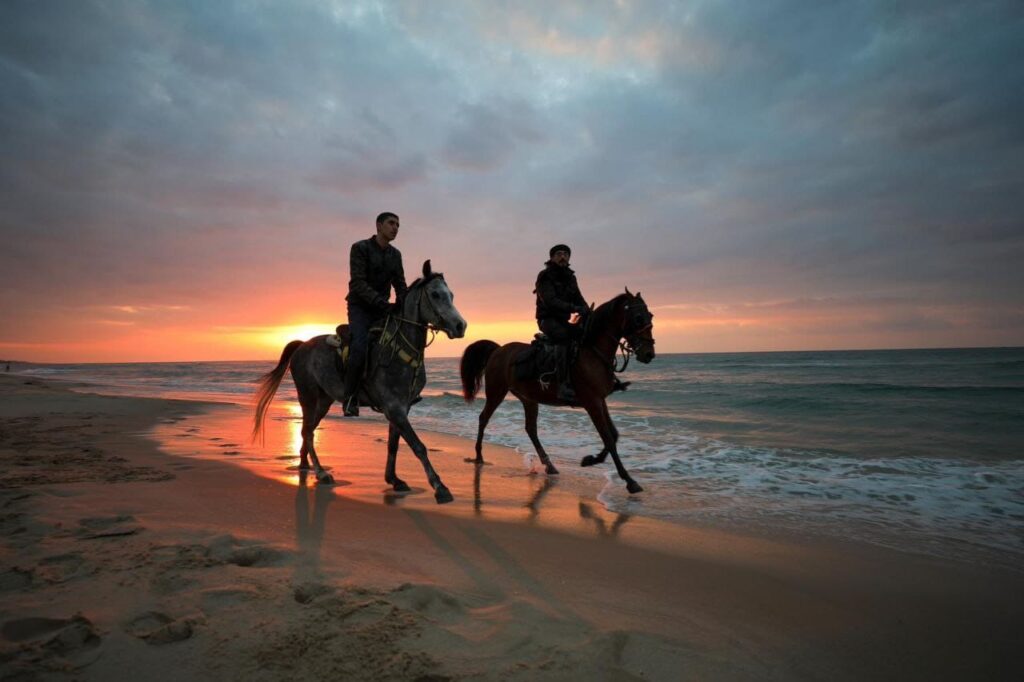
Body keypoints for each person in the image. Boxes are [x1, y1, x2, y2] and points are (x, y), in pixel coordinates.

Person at [340, 212, 408, 416]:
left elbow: (400, 284)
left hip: (382, 309)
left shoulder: (396, 255)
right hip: (360, 307)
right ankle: (350, 398)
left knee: (400, 343)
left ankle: (399, 391)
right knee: (360, 347)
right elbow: (358, 283)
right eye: (391, 223)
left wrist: (404, 304)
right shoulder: (360, 248)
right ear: (378, 226)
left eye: (398, 225)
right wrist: (382, 303)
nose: (395, 228)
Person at [534, 243, 588, 402]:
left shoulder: (571, 277)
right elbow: (550, 301)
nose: (562, 256)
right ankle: (562, 385)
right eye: (558, 254)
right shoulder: (545, 276)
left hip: (564, 319)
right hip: (547, 319)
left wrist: (587, 311)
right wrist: (573, 308)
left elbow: (579, 298)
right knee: (563, 337)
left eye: (565, 254)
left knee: (587, 333)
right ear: (552, 258)